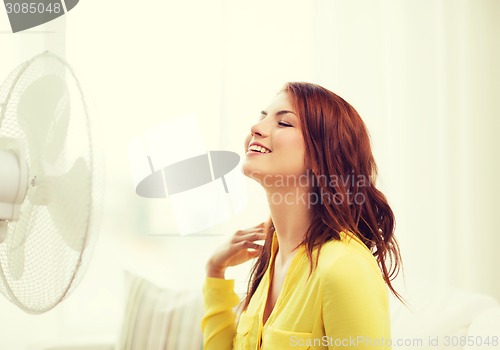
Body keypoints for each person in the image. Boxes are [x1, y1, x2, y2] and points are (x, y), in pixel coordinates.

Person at [201, 82, 403, 349]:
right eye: (263, 116)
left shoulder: (344, 267)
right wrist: (215, 270)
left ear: (325, 153)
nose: (256, 128)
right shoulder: (271, 260)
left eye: (284, 123)